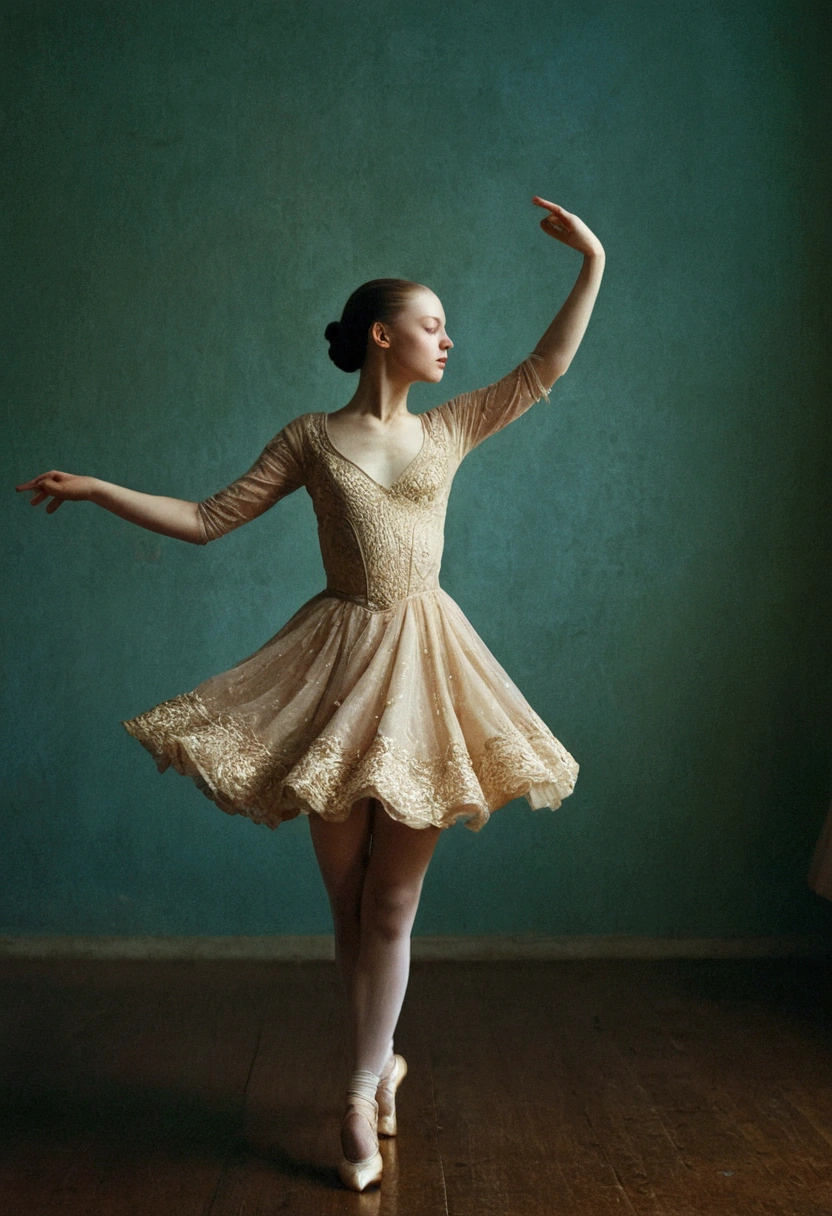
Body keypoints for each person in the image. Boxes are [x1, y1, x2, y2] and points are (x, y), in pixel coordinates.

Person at [16, 196, 605, 1191]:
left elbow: (544, 370)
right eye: (431, 323)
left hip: (425, 669)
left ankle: (360, 1088)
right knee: (346, 901)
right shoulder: (311, 439)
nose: (449, 338)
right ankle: (376, 1068)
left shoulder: (454, 426)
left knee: (394, 900)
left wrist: (590, 261)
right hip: (332, 668)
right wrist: (100, 489)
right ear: (383, 335)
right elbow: (208, 517)